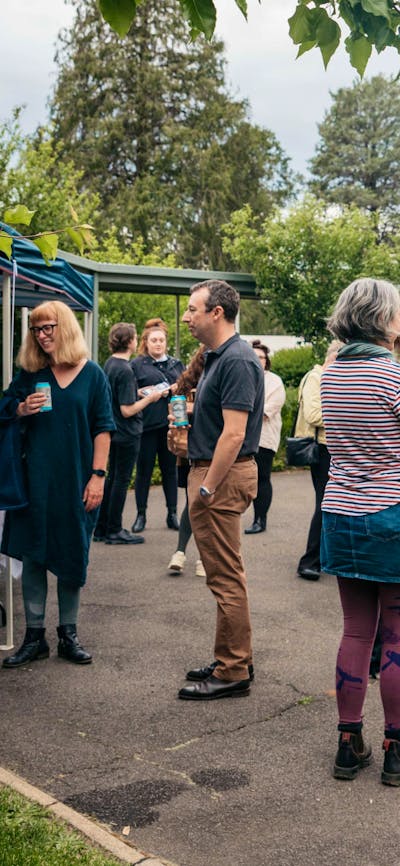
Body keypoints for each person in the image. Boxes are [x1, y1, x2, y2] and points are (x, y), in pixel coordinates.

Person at [0, 300, 114, 668]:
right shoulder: (31, 373)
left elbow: (104, 428)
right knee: (34, 554)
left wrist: (98, 476)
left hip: (77, 481)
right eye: (36, 329)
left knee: (72, 554)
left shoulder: (93, 374)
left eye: (48, 327)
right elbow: (4, 407)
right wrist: (20, 409)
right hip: (34, 480)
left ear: (64, 327)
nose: (41, 335)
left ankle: (69, 635)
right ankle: (35, 638)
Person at [320, 278, 400, 786]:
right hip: (391, 513)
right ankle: (396, 748)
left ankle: (348, 744)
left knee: (355, 630)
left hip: (341, 513)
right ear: (382, 317)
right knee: (396, 634)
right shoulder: (393, 376)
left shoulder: (331, 375)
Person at [177, 279, 264, 701]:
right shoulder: (220, 357)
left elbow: (234, 434)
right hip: (216, 473)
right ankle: (233, 658)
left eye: (192, 309)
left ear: (217, 312)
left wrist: (207, 487)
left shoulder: (237, 359)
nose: (186, 317)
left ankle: (232, 670)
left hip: (221, 478)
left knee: (225, 578)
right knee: (226, 575)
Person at [94, 322, 166, 545]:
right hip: (127, 432)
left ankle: (101, 527)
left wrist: (138, 392)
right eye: (135, 337)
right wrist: (150, 398)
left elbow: (118, 396)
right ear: (129, 341)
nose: (137, 341)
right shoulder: (125, 369)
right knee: (121, 480)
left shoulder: (110, 364)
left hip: (114, 430)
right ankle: (115, 529)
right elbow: (127, 409)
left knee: (112, 478)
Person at [130, 318, 184, 532]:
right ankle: (140, 515)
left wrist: (176, 388)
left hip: (171, 425)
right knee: (143, 471)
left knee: (170, 471)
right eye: (154, 340)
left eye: (161, 340)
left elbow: (187, 388)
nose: (158, 344)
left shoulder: (176, 364)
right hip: (146, 426)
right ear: (146, 342)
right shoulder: (137, 365)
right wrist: (145, 392)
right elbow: (129, 392)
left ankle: (172, 514)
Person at [295, 340, 342, 581]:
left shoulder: (327, 377)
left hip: (330, 448)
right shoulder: (316, 378)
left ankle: (323, 558)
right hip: (322, 449)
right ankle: (309, 561)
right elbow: (313, 415)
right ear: (333, 357)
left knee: (330, 503)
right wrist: (345, 413)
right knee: (324, 504)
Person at [167, 346, 206, 578]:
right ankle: (184, 553)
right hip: (190, 450)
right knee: (195, 502)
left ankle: (192, 555)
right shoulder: (186, 382)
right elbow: (175, 410)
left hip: (205, 451)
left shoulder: (217, 379)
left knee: (200, 503)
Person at [244, 340, 285, 535]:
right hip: (243, 437)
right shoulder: (242, 377)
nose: (257, 360)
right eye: (254, 356)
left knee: (262, 478)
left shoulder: (274, 381)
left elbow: (267, 410)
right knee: (244, 477)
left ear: (266, 360)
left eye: (261, 357)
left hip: (264, 438)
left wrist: (242, 410)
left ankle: (260, 519)